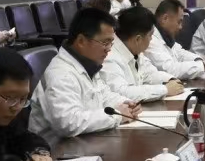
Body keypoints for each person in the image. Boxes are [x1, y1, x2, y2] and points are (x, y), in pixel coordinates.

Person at [29, 8, 140, 140]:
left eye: (111, 43)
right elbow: (68, 123)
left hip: (84, 140)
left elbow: (103, 95)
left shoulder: (87, 63)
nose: (109, 49)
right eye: (105, 42)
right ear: (81, 41)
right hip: (57, 148)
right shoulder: (61, 73)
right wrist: (117, 115)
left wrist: (124, 103)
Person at [102, 7, 185, 102]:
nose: (151, 39)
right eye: (150, 35)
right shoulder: (109, 57)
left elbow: (150, 74)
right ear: (138, 39)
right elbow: (122, 92)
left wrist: (170, 80)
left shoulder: (134, 50)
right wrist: (165, 89)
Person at [146, 0, 205, 79]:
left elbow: (181, 54)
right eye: (179, 22)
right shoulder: (150, 40)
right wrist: (203, 66)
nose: (180, 27)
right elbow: (170, 69)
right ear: (165, 18)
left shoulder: (166, 37)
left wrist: (198, 60)